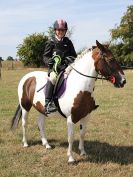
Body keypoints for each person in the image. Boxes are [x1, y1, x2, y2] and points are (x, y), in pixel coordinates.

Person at [43, 19, 77, 114]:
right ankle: (48, 104)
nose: (60, 32)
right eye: (58, 30)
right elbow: (45, 56)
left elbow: (74, 55)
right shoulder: (50, 42)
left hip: (67, 67)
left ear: (65, 31)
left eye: (62, 30)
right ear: (55, 30)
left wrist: (70, 59)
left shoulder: (68, 42)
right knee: (53, 78)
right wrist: (49, 61)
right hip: (55, 68)